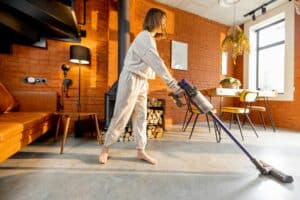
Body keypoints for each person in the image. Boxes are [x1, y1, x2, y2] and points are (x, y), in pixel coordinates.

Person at [99, 8, 183, 165]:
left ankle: (140, 150)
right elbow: (157, 62)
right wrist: (172, 84)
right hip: (131, 78)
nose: (165, 23)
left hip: (142, 81)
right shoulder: (144, 37)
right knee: (121, 114)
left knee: (141, 116)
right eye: (163, 20)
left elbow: (152, 64)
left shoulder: (150, 39)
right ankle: (105, 148)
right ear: (155, 19)